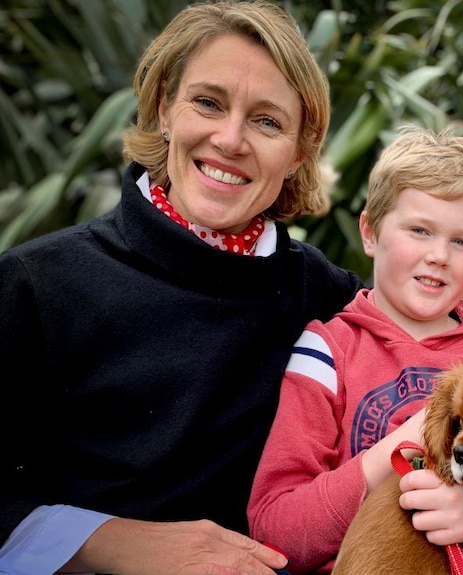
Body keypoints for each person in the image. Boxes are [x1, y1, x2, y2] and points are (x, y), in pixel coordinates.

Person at [0, 2, 365, 574]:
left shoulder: (325, 296)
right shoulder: (38, 285)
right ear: (166, 107)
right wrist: (108, 540)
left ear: (298, 153)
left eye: (267, 121)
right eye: (208, 102)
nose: (230, 139)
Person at [247, 125, 463, 574]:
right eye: (419, 230)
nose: (439, 256)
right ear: (369, 232)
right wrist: (396, 447)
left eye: (461, 241)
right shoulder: (328, 351)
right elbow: (276, 533)